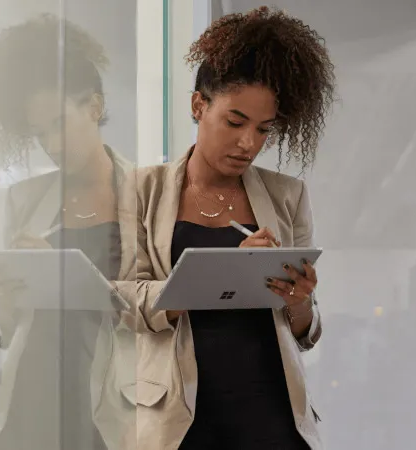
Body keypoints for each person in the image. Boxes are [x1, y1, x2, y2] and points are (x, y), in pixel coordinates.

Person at [121, 6, 336, 449]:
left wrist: (298, 301)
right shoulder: (139, 189)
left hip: (273, 415)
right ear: (199, 105)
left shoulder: (287, 195)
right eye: (235, 122)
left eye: (263, 130)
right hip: (180, 422)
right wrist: (212, 279)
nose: (248, 144)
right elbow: (120, 297)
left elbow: (305, 331)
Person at [0, 14, 132, 450]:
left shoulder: (150, 194)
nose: (50, 143)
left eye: (58, 123)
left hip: (109, 406)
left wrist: (67, 274)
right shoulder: (23, 201)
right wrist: (2, 300)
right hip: (32, 401)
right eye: (39, 132)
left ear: (95, 107)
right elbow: (12, 329)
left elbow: (161, 316)